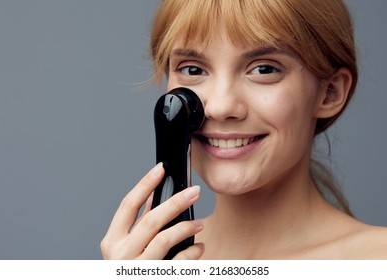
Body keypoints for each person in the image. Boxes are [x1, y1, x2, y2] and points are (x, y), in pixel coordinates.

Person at [101, 0, 387, 259]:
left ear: (330, 92)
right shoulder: (146, 258)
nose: (221, 107)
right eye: (193, 70)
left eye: (264, 69)